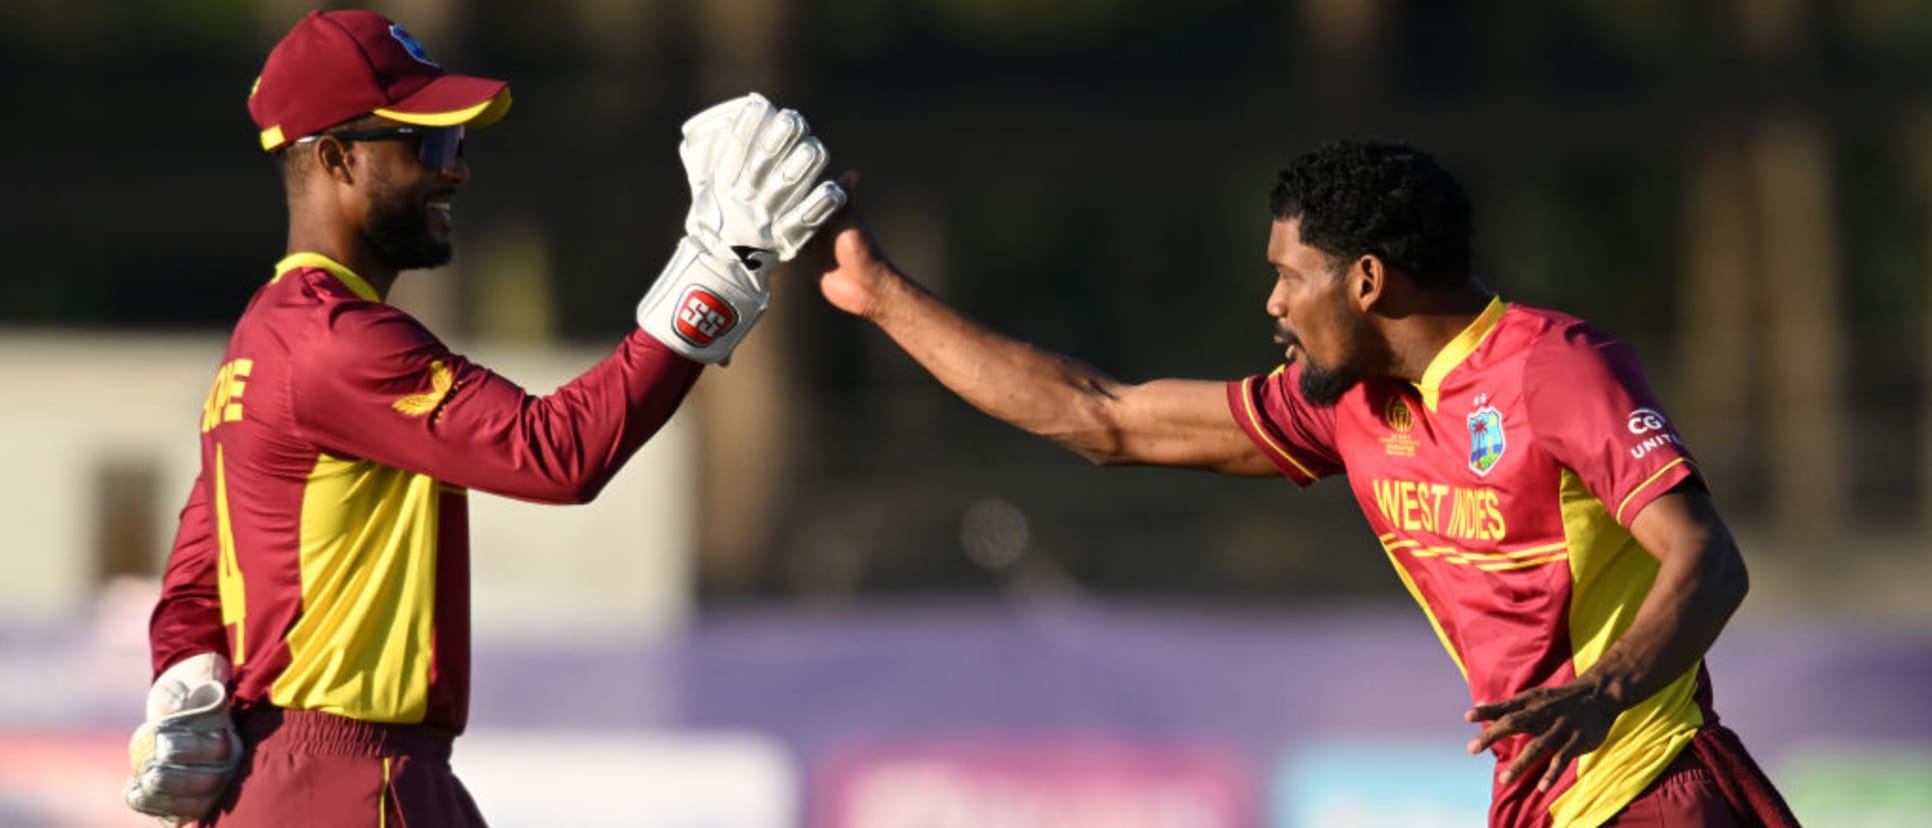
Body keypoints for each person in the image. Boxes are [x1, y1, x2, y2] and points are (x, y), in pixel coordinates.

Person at [811, 143, 1800, 827]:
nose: (1272, 302)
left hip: (1656, 791)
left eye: (1291, 275)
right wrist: (882, 296)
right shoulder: (1347, 401)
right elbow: (1104, 417)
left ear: (1366, 281)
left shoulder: (1554, 367)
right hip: (1543, 796)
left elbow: (1708, 557)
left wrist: (1607, 690)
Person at [122, 9, 843, 826]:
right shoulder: (335, 342)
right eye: (427, 145)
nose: (456, 171)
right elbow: (557, 453)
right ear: (335, 157)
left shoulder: (267, 334)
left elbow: (193, 579)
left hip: (304, 778)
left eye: (457, 144)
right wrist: (724, 265)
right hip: (353, 785)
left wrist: (183, 680)